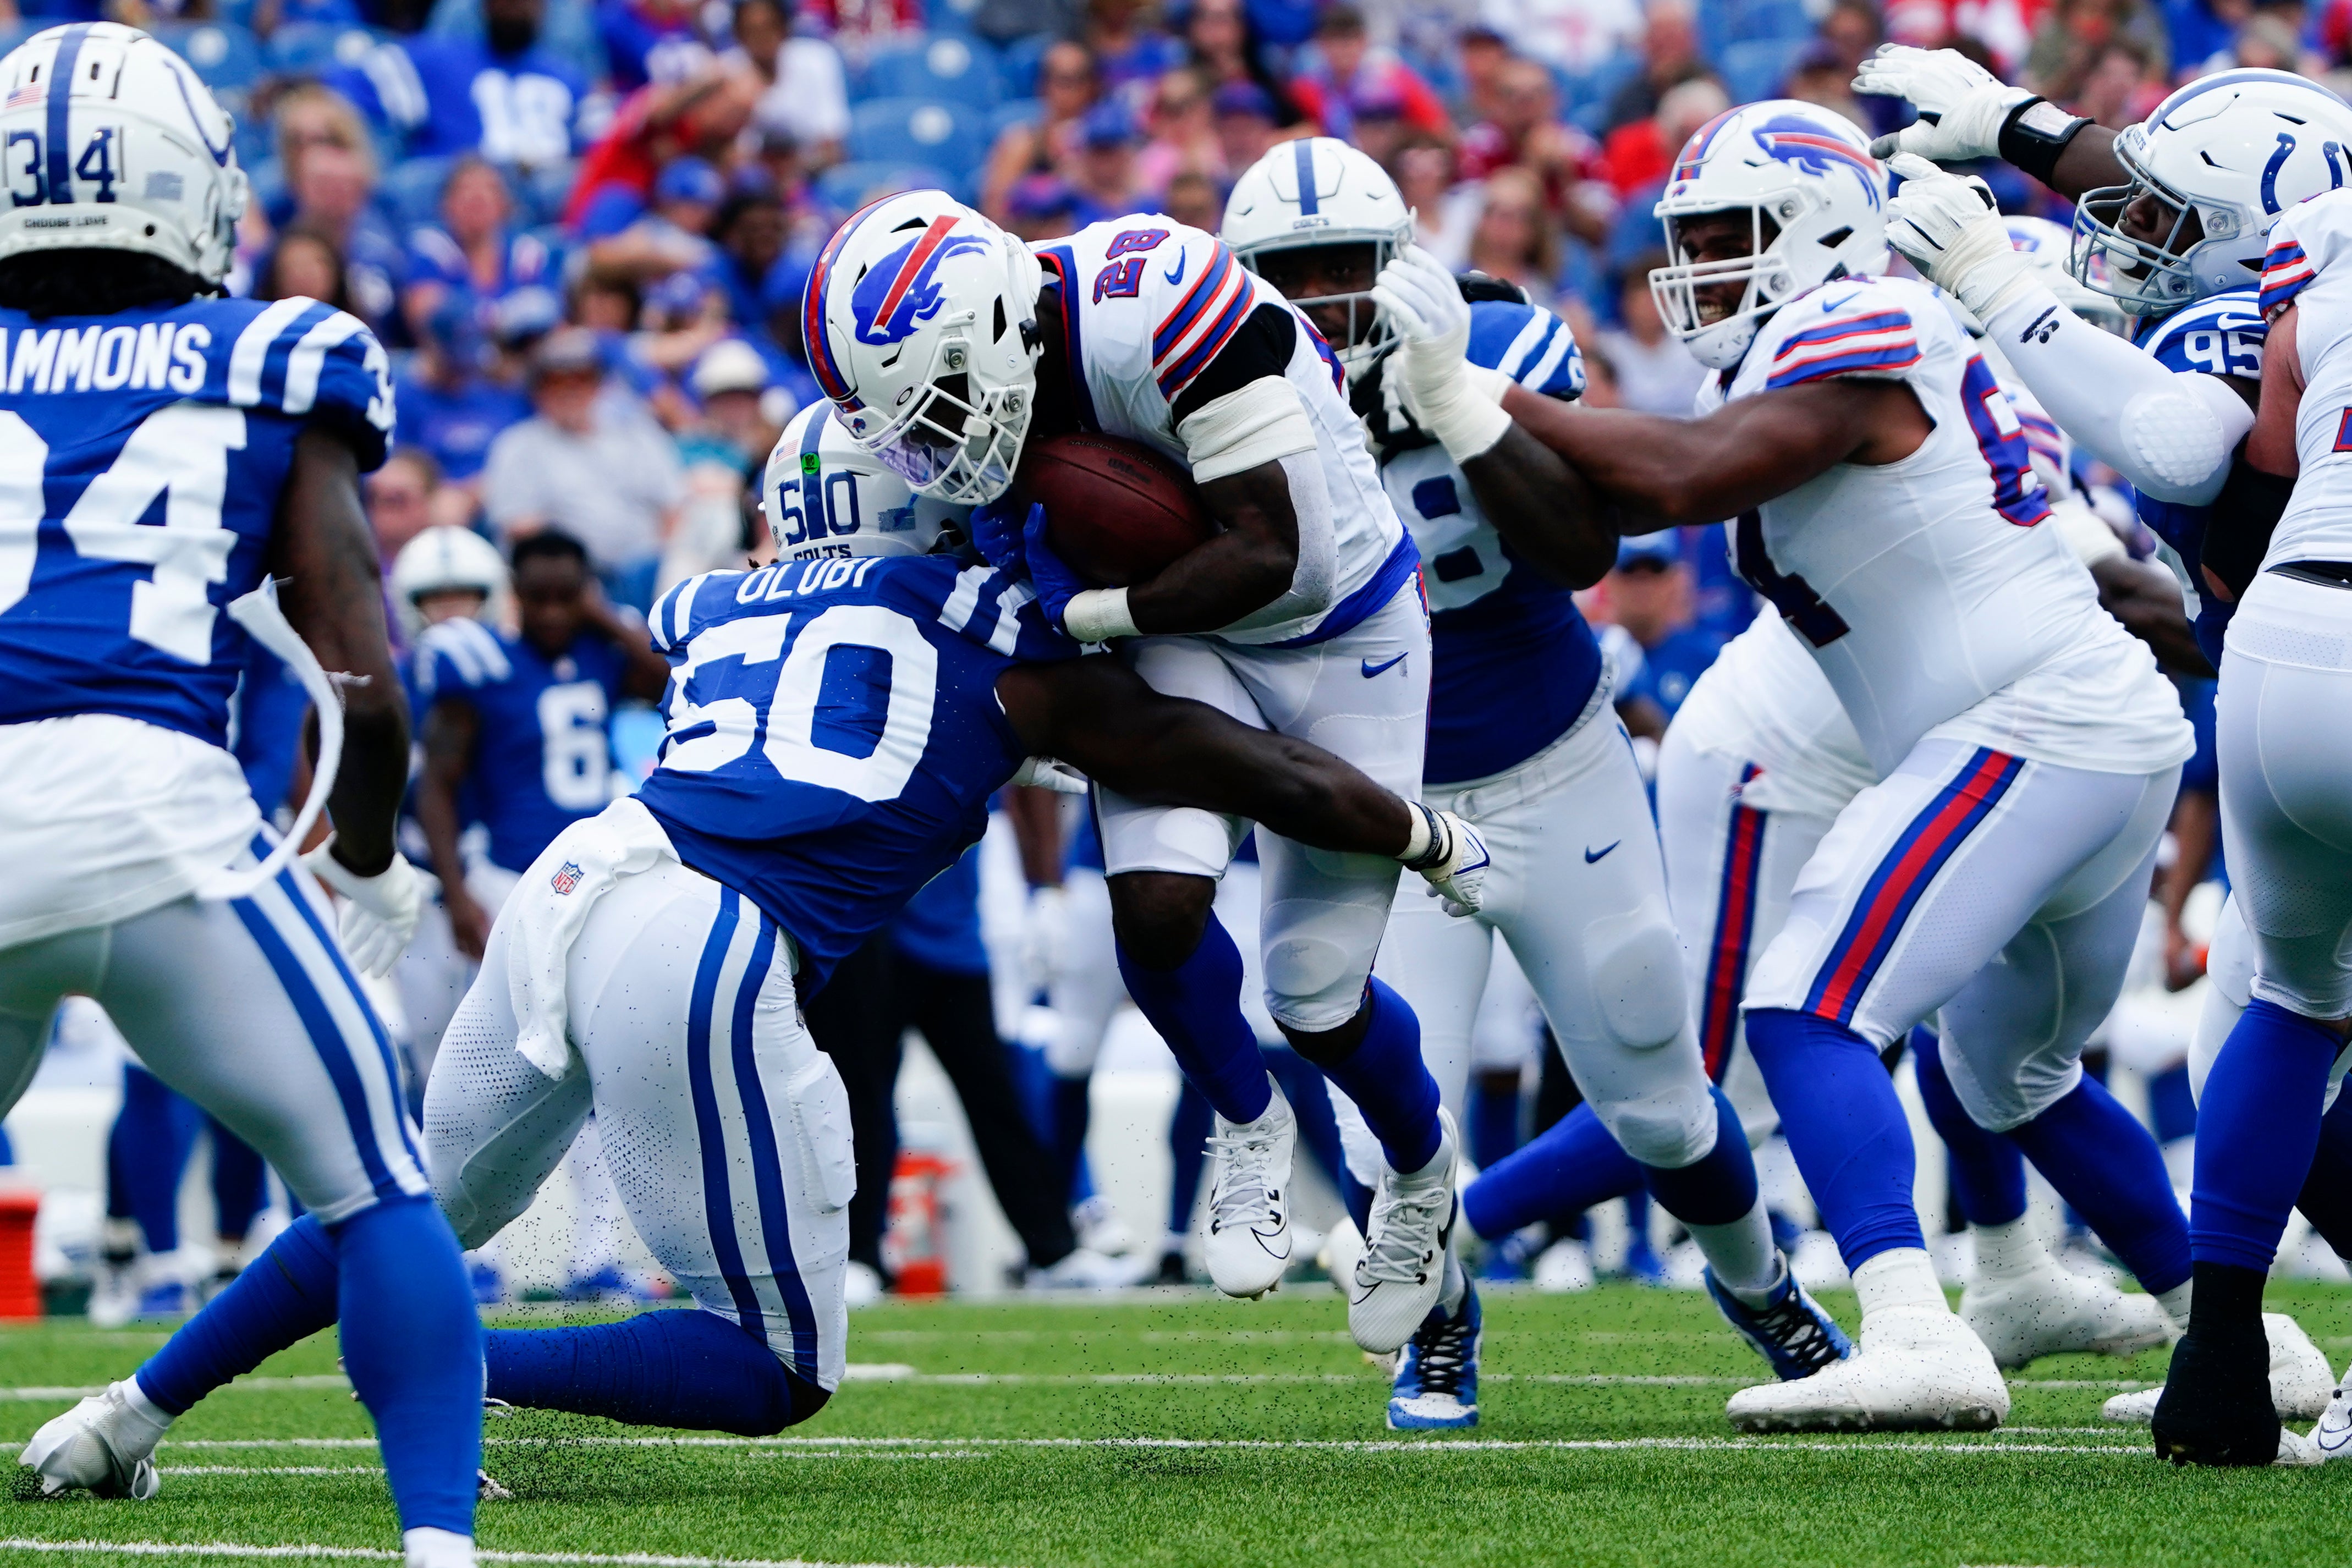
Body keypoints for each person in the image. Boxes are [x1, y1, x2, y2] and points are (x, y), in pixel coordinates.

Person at [31, 401, 1487, 1453]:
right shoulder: (1005, 647)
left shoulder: (710, 608)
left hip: (570, 883)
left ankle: (126, 1411)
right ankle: (461, 1370)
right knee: (778, 1366)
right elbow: (1257, 770)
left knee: (396, 1205)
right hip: (701, 940)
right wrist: (1419, 833)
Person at [1373, 98, 2198, 1432]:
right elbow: (1639, 485)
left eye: (1729, 233)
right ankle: (2222, 1333)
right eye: (1688, 236)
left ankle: (1909, 1326)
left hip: (2001, 725)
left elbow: (1685, 478)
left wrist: (1471, 394)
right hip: (2075, 728)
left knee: (1798, 1014)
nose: (1697, 263)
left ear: (1823, 227)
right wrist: (1464, 419)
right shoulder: (1839, 348)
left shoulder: (1854, 322)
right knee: (2007, 1074)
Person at [1223, 137, 1848, 1431]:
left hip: (1552, 766)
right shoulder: (1203, 403)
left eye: (1346, 265)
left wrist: (1451, 399)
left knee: (1657, 1095)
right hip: (1373, 803)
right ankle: (1440, 1321)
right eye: (1294, 273)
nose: (1325, 299)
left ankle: (1761, 1285)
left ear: (1400, 260)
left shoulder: (1490, 341)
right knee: (1382, 1126)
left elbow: (1576, 550)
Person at [808, 190, 1465, 1357]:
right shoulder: (997, 371)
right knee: (1157, 911)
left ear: (994, 323)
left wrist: (1087, 613)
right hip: (1187, 627)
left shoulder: (1152, 297)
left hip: (1344, 625)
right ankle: (1246, 1123)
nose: (941, 446)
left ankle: (1420, 1176)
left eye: (944, 404)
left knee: (1315, 998)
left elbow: (1285, 560)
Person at [0, 24, 482, 1565]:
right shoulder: (275, 352)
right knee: (376, 1187)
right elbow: (365, 683)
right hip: (158, 814)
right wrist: (365, 857)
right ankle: (438, 1546)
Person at [1858, 52, 2352, 1456]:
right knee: (2259, 1025)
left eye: (2159, 217)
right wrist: (2017, 130)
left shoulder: (2267, 289)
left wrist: (1999, 282)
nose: (2127, 231)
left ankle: (2221, 1360)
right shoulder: (2273, 253)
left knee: (2264, 1023)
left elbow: (2194, 440)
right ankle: (2225, 1349)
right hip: (2280, 645)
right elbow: (2213, 201)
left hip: (2279, 659)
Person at [412, 529, 672, 967]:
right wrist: (456, 894)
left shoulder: (600, 653)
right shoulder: (485, 664)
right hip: (510, 875)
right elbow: (436, 785)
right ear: (514, 592)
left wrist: (602, 615)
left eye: (566, 597)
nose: (552, 612)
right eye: (539, 598)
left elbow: (674, 685)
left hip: (599, 870)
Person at [482, 328, 688, 608]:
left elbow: (674, 510)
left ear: (599, 385)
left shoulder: (637, 433)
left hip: (649, 570)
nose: (570, 390)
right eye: (556, 382)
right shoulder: (518, 446)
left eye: (581, 379)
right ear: (538, 391)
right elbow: (519, 528)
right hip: (573, 580)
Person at [333, 0, 587, 166]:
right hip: (457, 196)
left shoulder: (570, 78)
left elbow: (597, 151)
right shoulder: (438, 61)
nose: (514, 6)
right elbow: (342, 82)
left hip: (548, 202)